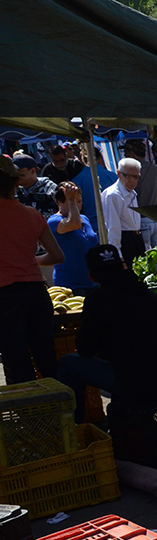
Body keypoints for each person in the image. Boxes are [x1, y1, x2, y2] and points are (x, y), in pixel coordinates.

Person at [56, 245, 157, 423]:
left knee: (68, 363)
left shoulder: (98, 300)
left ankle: (75, 427)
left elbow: (84, 349)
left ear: (92, 277)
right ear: (124, 267)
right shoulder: (150, 295)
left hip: (140, 384)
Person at [0, 156, 65, 384]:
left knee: (18, 364)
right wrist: (28, 263)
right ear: (15, 183)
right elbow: (57, 256)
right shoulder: (31, 214)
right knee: (47, 359)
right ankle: (60, 413)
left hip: (5, 299)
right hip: (37, 295)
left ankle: (33, 417)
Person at [48, 181, 98, 294]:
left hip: (92, 282)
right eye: (73, 202)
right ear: (60, 202)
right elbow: (74, 223)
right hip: (71, 285)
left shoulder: (84, 218)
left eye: (79, 201)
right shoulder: (54, 221)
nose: (77, 206)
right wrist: (71, 199)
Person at [122, 139, 157, 249]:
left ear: (131, 154)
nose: (124, 155)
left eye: (126, 153)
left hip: (143, 218)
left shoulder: (132, 172)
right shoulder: (155, 168)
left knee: (145, 256)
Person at [101, 158, 144, 265]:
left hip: (136, 238)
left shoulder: (132, 193)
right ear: (119, 174)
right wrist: (118, 254)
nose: (132, 181)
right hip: (125, 241)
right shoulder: (113, 195)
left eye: (135, 177)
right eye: (128, 176)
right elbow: (113, 227)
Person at [70, 146, 117, 234]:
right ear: (100, 159)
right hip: (115, 226)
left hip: (91, 228)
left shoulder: (76, 181)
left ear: (81, 160)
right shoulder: (113, 177)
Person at [13, 154, 59, 218]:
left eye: (19, 171)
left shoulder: (49, 188)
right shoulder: (12, 191)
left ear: (32, 171)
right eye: (13, 171)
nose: (15, 174)